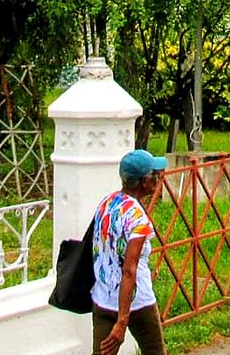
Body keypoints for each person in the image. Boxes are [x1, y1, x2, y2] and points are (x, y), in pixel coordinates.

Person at [91, 149, 167, 355]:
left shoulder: (106, 204)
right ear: (144, 181)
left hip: (103, 299)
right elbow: (128, 270)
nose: (159, 178)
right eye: (155, 174)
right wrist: (122, 321)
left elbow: (107, 250)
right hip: (137, 303)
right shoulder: (138, 220)